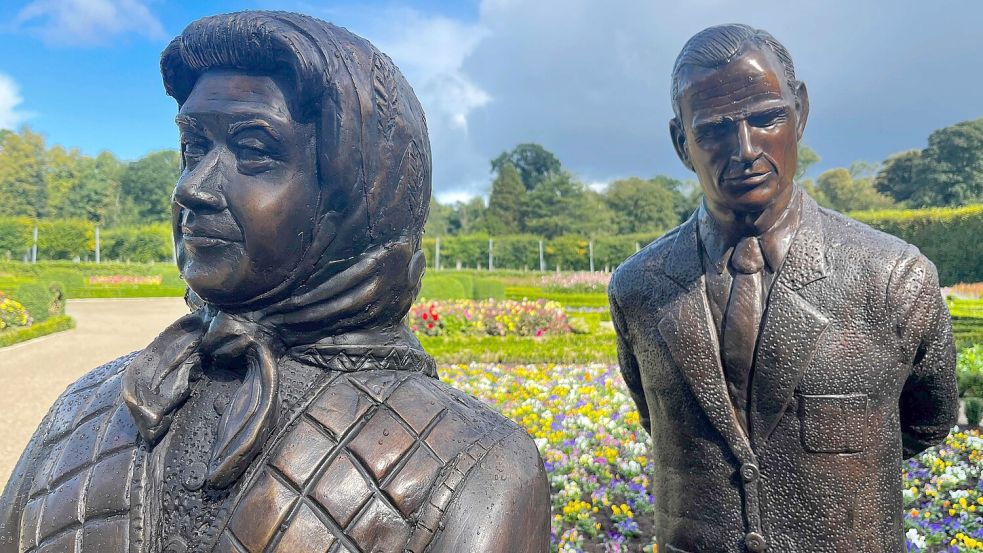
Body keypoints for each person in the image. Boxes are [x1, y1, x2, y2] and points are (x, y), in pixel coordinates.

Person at [0, 11, 550, 553]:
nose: (192, 188)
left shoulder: (474, 463)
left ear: (357, 193)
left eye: (254, 151)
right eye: (193, 149)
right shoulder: (84, 409)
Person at [608, 24, 958, 552]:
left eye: (767, 117)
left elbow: (926, 423)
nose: (745, 148)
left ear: (801, 112)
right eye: (715, 130)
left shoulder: (893, 277)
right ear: (682, 143)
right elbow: (656, 418)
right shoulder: (638, 288)